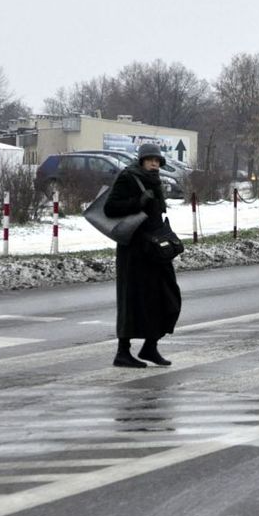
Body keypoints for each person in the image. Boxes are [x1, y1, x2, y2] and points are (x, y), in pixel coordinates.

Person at [103, 143, 181, 368]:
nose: (154, 164)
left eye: (157, 161)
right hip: (134, 251)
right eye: (150, 160)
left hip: (155, 249)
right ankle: (122, 352)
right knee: (132, 300)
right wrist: (138, 202)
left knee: (167, 297)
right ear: (141, 161)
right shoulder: (128, 177)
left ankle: (150, 346)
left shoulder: (155, 181)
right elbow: (110, 208)